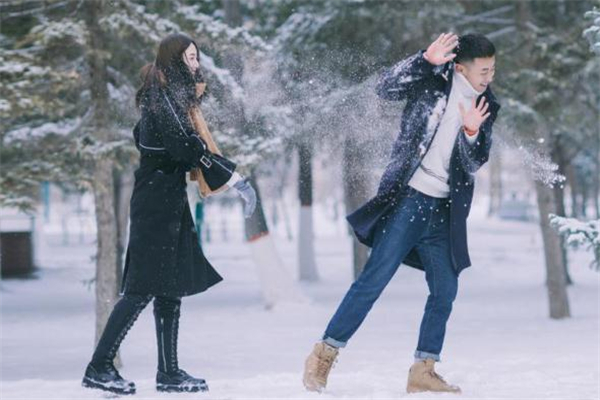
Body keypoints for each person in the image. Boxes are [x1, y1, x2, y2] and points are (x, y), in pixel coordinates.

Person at [302, 33, 500, 394]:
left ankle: (423, 369)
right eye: (483, 70)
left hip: (444, 209)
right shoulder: (432, 79)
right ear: (461, 67)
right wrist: (423, 59)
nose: (489, 77)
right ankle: (323, 354)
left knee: (445, 290)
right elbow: (385, 88)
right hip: (411, 198)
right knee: (374, 279)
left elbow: (475, 160)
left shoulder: (487, 105)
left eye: (492, 69)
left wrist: (471, 131)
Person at [82, 33, 256, 396]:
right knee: (140, 289)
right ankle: (99, 367)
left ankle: (169, 372)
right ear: (175, 59)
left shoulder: (170, 97)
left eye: (197, 57)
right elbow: (186, 147)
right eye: (191, 58)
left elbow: (178, 142)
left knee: (169, 287)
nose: (196, 64)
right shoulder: (159, 98)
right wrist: (234, 178)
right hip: (154, 205)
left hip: (169, 200)